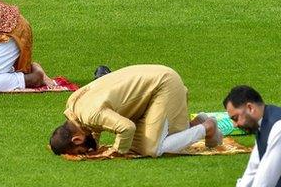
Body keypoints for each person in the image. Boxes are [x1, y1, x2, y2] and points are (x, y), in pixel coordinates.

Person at [48, 64, 222, 158]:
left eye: (81, 151)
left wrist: (115, 151)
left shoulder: (90, 114)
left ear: (77, 139)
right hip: (152, 87)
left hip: (163, 85)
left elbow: (126, 128)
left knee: (153, 149)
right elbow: (93, 128)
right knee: (137, 146)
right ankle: (195, 123)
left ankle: (207, 127)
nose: (87, 153)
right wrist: (98, 146)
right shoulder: (73, 104)